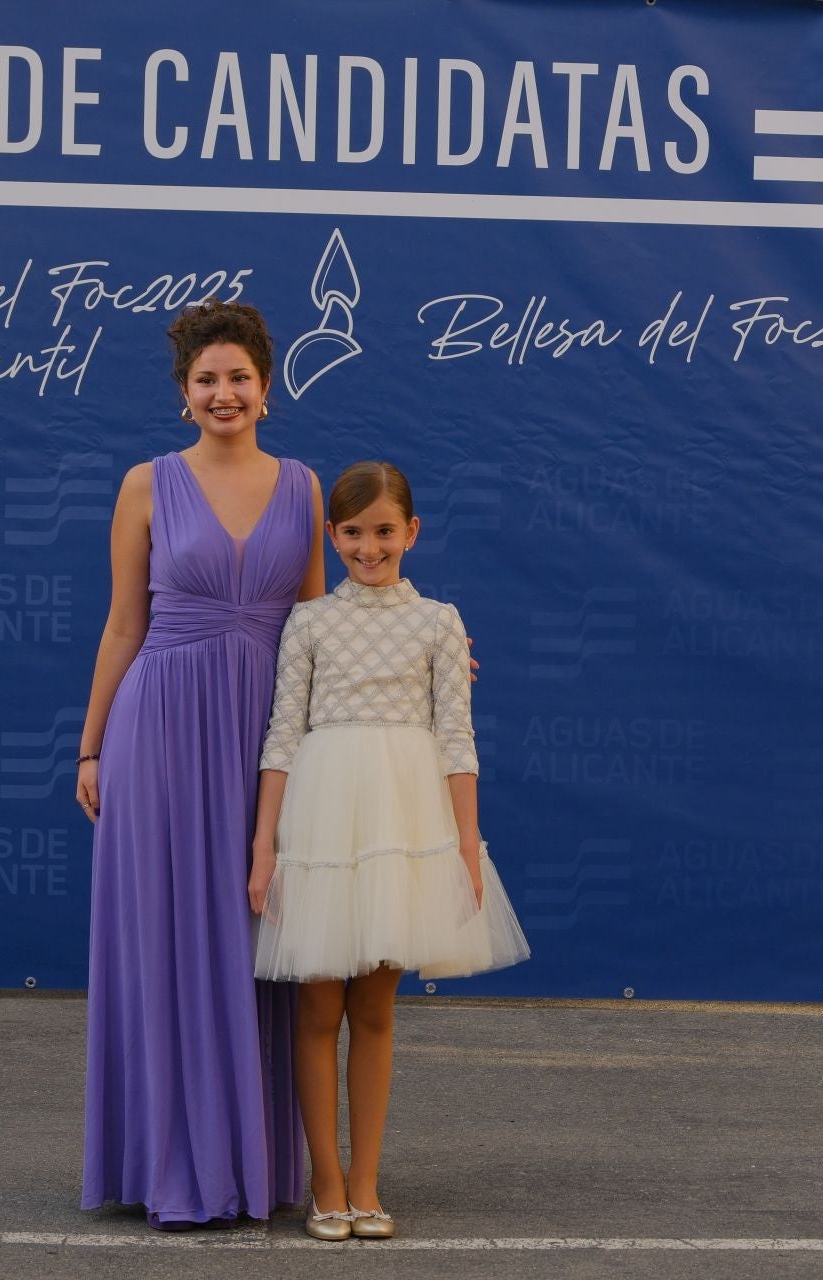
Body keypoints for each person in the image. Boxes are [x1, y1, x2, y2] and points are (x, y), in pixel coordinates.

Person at [76, 300, 324, 1229]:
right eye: (205, 381)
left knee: (256, 944)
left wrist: (422, 649)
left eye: (238, 378)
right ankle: (169, 1165)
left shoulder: (303, 487)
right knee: (170, 941)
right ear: (185, 396)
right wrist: (92, 743)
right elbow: (123, 625)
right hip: (162, 734)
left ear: (266, 387)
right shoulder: (145, 484)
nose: (224, 393)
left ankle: (247, 1167)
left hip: (264, 739)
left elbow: (316, 630)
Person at [250, 460, 530, 1241]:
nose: (368, 548)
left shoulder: (439, 620)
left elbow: (457, 740)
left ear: (412, 531)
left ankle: (367, 1182)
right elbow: (281, 736)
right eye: (351, 534)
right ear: (331, 536)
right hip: (323, 822)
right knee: (316, 1007)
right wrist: (264, 848)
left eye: (383, 532)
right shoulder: (308, 622)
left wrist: (466, 848)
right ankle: (325, 1183)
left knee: (375, 1008)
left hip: (405, 827)